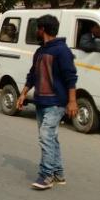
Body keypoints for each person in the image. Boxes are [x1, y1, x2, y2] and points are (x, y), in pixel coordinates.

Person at [17, 14, 78, 190]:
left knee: (45, 137)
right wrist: (23, 94)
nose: (36, 31)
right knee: (51, 138)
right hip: (41, 102)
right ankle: (59, 173)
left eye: (37, 28)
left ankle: (46, 175)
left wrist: (72, 101)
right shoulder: (40, 51)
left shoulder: (62, 51)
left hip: (57, 103)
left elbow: (70, 77)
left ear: (42, 29)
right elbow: (32, 75)